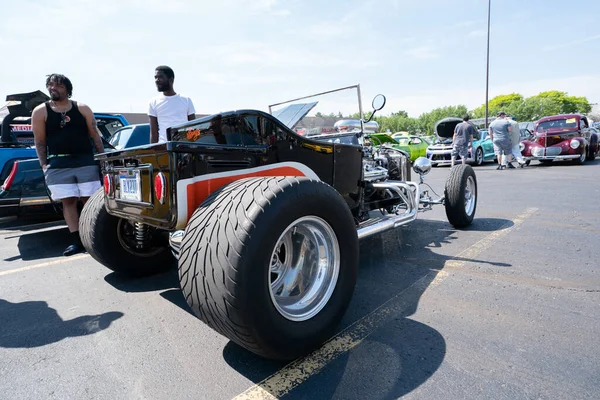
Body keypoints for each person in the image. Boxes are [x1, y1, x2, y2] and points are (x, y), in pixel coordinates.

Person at [31, 74, 104, 256]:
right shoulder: (40, 111)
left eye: (58, 86)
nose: (53, 88)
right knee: (68, 202)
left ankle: (94, 238)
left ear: (67, 89)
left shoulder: (82, 108)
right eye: (50, 85)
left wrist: (102, 160)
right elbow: (39, 141)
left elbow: (95, 135)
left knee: (90, 201)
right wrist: (44, 164)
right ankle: (76, 241)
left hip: (85, 161)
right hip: (58, 163)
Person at [148, 65, 196, 143]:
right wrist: (154, 153)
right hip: (164, 149)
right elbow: (154, 133)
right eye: (155, 78)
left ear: (171, 80)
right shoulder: (153, 102)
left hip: (184, 148)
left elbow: (193, 127)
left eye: (160, 77)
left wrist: (193, 149)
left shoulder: (186, 100)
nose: (157, 80)